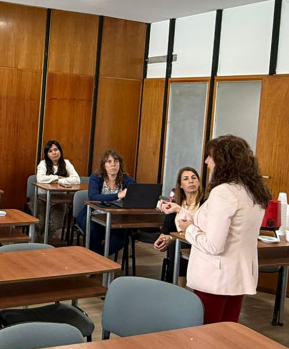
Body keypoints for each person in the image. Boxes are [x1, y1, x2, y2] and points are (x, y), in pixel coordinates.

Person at [160, 135, 270, 324]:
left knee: (206, 334)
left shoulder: (224, 192)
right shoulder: (252, 190)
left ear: (223, 160)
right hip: (237, 274)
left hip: (215, 277)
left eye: (210, 156)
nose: (206, 161)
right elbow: (225, 223)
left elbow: (213, 245)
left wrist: (190, 230)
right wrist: (182, 211)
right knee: (227, 331)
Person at [75, 149, 136, 255]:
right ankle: (97, 261)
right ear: (104, 165)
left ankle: (99, 258)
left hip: (115, 218)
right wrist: (118, 195)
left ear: (120, 164)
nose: (113, 164)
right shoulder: (96, 178)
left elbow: (137, 192)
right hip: (92, 214)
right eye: (109, 161)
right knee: (93, 232)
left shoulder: (127, 180)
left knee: (119, 239)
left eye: (116, 161)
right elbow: (93, 197)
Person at [153, 167, 202, 287]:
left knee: (176, 246)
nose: (191, 181)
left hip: (198, 240)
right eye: (186, 179)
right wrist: (162, 239)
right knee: (173, 245)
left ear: (199, 182)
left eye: (194, 178)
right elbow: (166, 229)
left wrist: (172, 239)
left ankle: (177, 287)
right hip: (180, 241)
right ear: (180, 185)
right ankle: (175, 286)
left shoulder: (205, 202)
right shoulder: (176, 201)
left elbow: (202, 224)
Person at [32, 140, 81, 242]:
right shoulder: (43, 163)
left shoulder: (66, 163)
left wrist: (58, 180)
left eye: (56, 149)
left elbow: (77, 179)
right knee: (40, 222)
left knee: (55, 223)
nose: (54, 153)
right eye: (50, 151)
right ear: (47, 154)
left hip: (59, 200)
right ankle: (36, 243)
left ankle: (44, 242)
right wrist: (58, 177)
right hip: (42, 198)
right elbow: (40, 179)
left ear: (60, 151)